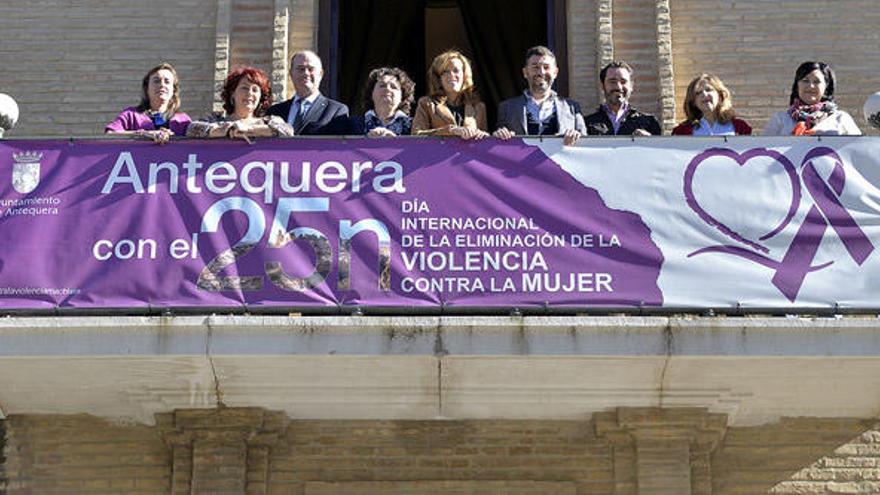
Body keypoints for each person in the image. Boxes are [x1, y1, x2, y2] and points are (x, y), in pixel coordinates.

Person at [493, 46, 586, 145]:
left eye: (546, 67)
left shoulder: (572, 108)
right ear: (525, 72)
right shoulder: (507, 108)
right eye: (535, 67)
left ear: (555, 72)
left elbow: (586, 144)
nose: (541, 72)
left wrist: (577, 137)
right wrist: (498, 136)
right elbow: (498, 147)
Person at [186, 66, 293, 140]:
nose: (250, 93)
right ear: (233, 93)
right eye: (244, 88)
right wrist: (228, 129)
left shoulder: (270, 121)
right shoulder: (216, 120)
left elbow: (287, 131)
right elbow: (192, 129)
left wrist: (248, 129)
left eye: (255, 90)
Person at [763, 61, 861, 136]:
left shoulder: (841, 118)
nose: (811, 86)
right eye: (805, 80)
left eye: (816, 82)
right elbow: (764, 152)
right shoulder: (780, 119)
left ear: (826, 87)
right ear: (797, 86)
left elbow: (857, 149)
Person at [267, 50, 350, 135]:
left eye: (311, 69)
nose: (306, 73)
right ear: (291, 74)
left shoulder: (336, 111)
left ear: (321, 74)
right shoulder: (275, 111)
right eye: (301, 69)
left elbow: (337, 145)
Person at [105, 63, 192, 144]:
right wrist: (144, 134)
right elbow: (110, 134)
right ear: (147, 88)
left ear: (174, 90)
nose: (162, 85)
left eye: (167, 81)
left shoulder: (183, 120)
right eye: (156, 81)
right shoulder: (131, 115)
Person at [413, 50, 488, 139]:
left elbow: (485, 142)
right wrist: (450, 131)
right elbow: (416, 136)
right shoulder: (426, 103)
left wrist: (483, 136)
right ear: (438, 78)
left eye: (456, 70)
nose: (451, 75)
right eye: (445, 72)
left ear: (464, 76)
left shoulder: (478, 107)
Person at [583, 61, 661, 136]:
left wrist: (650, 141)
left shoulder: (649, 123)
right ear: (603, 86)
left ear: (631, 86)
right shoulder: (586, 124)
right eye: (612, 82)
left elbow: (659, 148)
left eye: (623, 82)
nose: (618, 87)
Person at [672, 74, 751, 135]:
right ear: (693, 102)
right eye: (698, 93)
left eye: (708, 90)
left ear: (720, 96)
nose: (704, 94)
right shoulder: (680, 132)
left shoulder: (741, 128)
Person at [352, 67, 415, 137]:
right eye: (382, 86)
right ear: (371, 94)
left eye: (394, 87)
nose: (387, 89)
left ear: (402, 97)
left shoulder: (413, 125)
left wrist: (396, 142)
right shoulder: (353, 124)